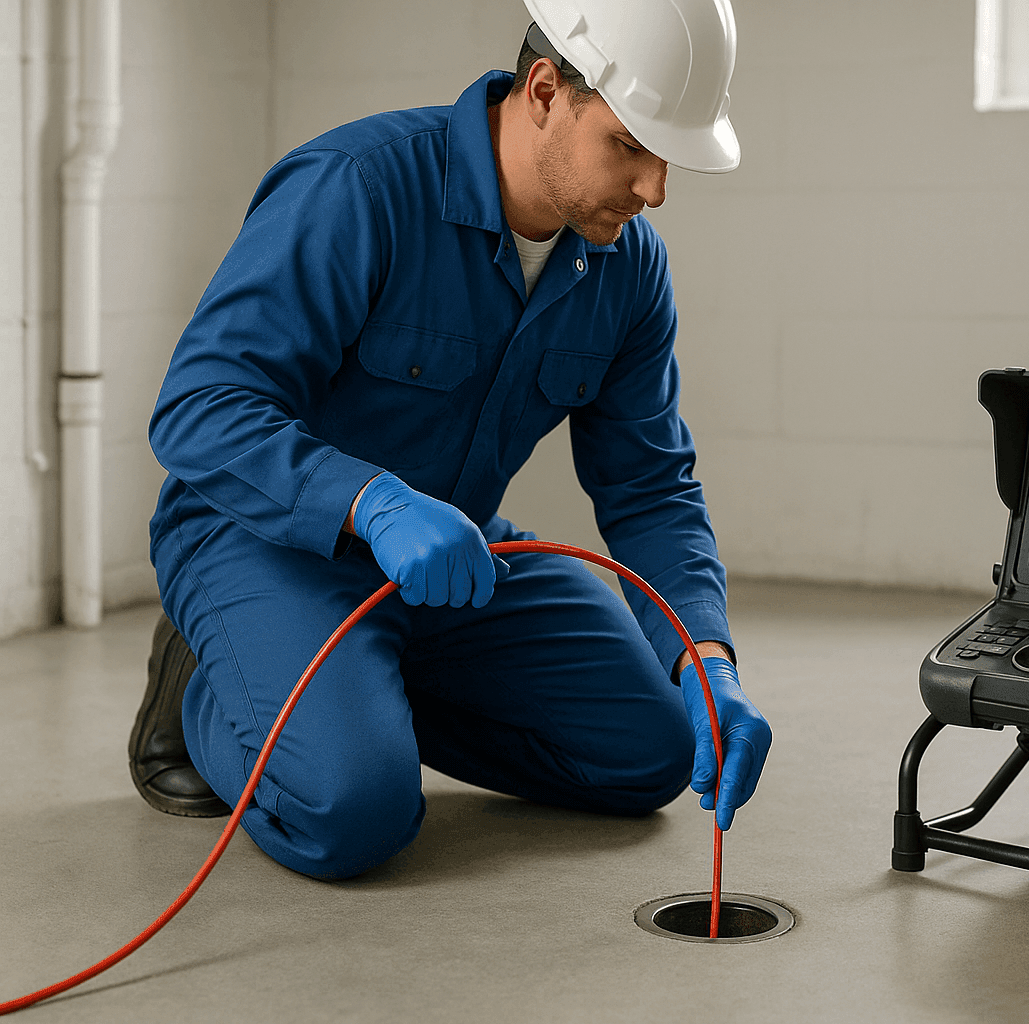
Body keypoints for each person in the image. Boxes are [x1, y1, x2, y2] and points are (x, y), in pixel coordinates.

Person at [129, 0, 770, 881]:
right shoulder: (359, 187)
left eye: (672, 159)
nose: (655, 189)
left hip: (453, 560)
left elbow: (649, 485)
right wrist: (371, 501)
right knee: (352, 814)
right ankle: (216, 687)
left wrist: (705, 655)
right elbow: (199, 406)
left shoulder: (628, 268)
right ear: (545, 89)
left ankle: (356, 697)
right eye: (632, 146)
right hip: (265, 541)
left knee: (652, 751)